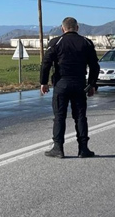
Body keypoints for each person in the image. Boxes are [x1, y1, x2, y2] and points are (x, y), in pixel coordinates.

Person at [40, 16, 100, 158]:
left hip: (62, 83)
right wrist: (92, 84)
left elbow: (46, 64)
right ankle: (83, 148)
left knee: (59, 116)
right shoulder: (86, 42)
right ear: (77, 28)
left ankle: (58, 148)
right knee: (80, 116)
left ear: (63, 28)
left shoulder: (56, 42)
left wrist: (44, 82)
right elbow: (94, 66)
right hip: (79, 83)